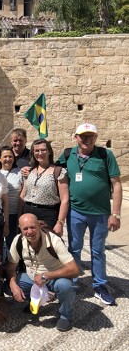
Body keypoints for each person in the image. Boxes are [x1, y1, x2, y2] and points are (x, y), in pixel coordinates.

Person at [57, 123, 122, 306]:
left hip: (100, 213)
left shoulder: (104, 154)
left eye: (91, 136)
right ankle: (72, 281)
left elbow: (116, 184)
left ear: (96, 137)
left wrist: (115, 214)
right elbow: (52, 170)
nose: (87, 139)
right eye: (83, 136)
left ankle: (100, 286)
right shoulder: (68, 154)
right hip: (75, 211)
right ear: (75, 137)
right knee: (74, 248)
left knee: (98, 250)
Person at [5, 214, 79, 332]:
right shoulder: (18, 240)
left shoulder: (53, 240)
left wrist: (46, 275)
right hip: (32, 277)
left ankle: (65, 315)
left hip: (55, 277)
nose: (30, 232)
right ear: (20, 229)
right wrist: (12, 284)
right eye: (25, 229)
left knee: (65, 286)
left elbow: (75, 270)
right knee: (9, 287)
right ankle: (34, 302)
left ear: (39, 225)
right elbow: (11, 267)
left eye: (32, 227)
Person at [19, 139, 69, 236]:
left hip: (47, 214)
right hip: (27, 211)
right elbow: (23, 194)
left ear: (49, 151)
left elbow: (65, 200)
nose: (40, 153)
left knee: (47, 245)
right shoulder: (31, 171)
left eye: (43, 150)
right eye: (36, 151)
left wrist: (60, 223)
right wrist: (19, 215)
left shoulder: (58, 172)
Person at [0, 146, 23, 250]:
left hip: (14, 214)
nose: (8, 159)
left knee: (12, 245)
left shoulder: (20, 173)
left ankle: (12, 266)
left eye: (10, 156)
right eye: (5, 156)